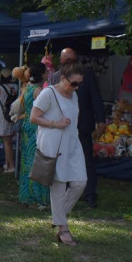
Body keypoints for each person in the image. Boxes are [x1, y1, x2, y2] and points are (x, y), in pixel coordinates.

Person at [32, 61, 87, 245]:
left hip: (73, 144)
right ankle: (63, 228)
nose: (76, 87)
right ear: (63, 78)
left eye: (79, 84)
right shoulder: (49, 93)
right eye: (73, 83)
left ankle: (59, 217)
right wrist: (55, 124)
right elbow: (34, 117)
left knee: (80, 182)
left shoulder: (74, 95)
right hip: (54, 144)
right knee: (59, 185)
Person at [49, 48, 105, 207]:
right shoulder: (55, 77)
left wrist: (100, 120)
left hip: (82, 125)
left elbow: (95, 98)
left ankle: (89, 194)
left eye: (72, 60)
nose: (70, 63)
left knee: (86, 160)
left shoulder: (87, 75)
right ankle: (66, 194)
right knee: (62, 160)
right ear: (61, 61)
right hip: (62, 126)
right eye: (67, 60)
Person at [17, 63, 50, 209]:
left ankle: (25, 195)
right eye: (46, 71)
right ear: (42, 74)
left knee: (26, 162)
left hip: (27, 126)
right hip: (36, 127)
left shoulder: (27, 88)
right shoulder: (38, 90)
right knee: (36, 162)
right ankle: (37, 196)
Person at [0, 68, 19, 173]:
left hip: (3, 115)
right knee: (9, 141)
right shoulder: (16, 86)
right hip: (12, 115)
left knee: (6, 142)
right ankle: (7, 164)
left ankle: (11, 166)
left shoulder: (0, 88)